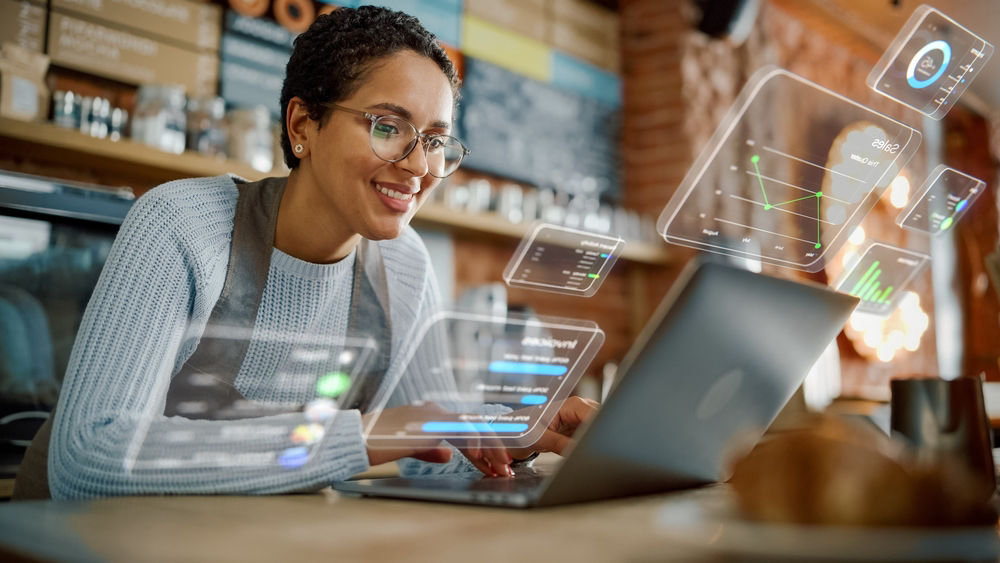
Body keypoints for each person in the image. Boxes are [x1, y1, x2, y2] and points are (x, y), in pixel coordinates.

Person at [14, 6, 597, 500]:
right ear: (303, 125)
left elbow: (422, 449)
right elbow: (87, 460)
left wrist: (515, 434)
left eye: (437, 141)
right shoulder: (182, 225)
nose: (421, 167)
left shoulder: (404, 265)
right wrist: (361, 436)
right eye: (389, 127)